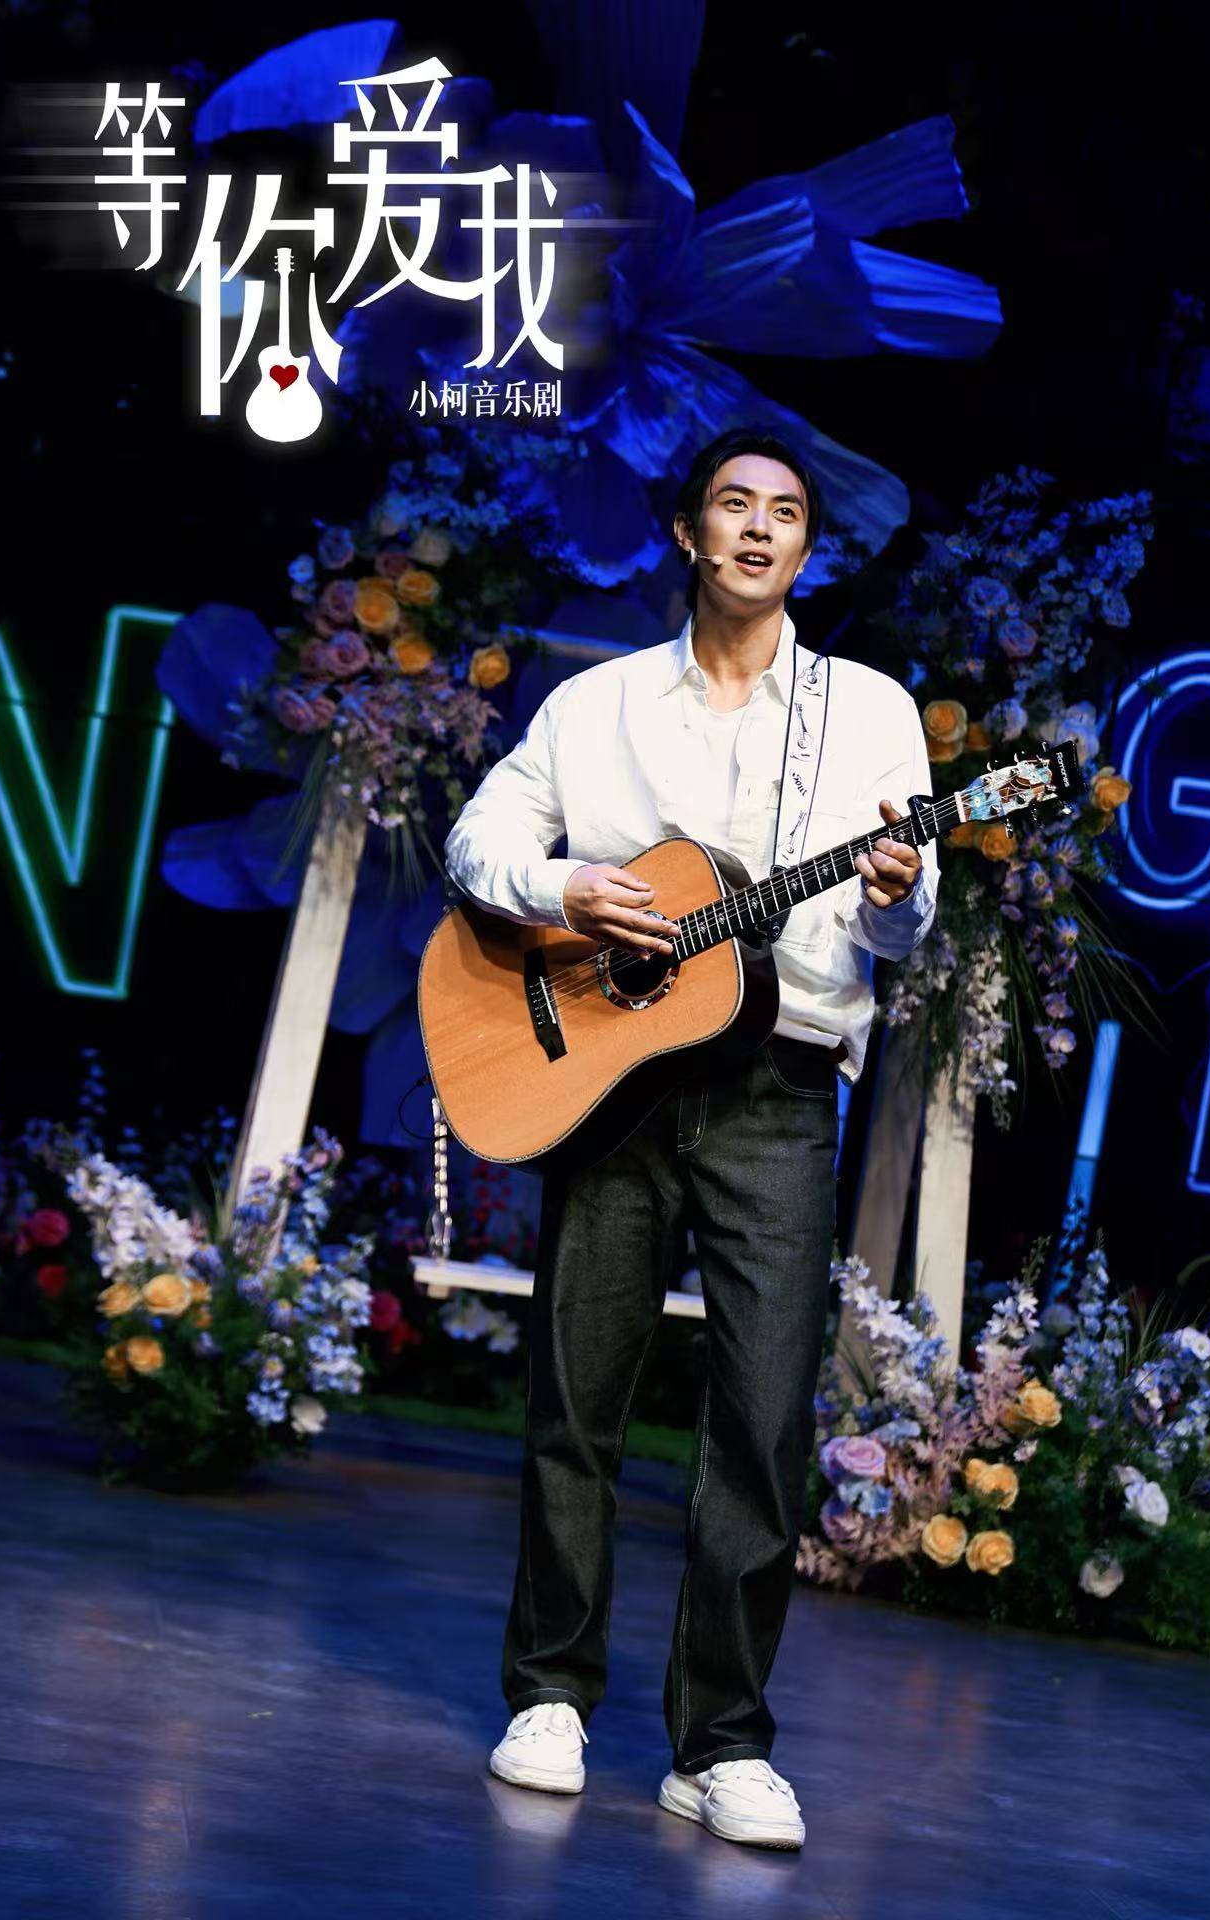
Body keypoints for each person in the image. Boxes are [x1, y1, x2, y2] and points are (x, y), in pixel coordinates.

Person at [443, 427, 939, 1851]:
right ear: (687, 531)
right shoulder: (595, 704)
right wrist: (568, 889)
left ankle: (720, 1744)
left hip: (780, 1087)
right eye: (735, 504)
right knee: (577, 1396)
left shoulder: (869, 712)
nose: (761, 528)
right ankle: (550, 1696)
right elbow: (480, 841)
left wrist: (900, 892)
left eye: (787, 513)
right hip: (615, 1082)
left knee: (765, 1421)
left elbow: (905, 932)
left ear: (806, 550)